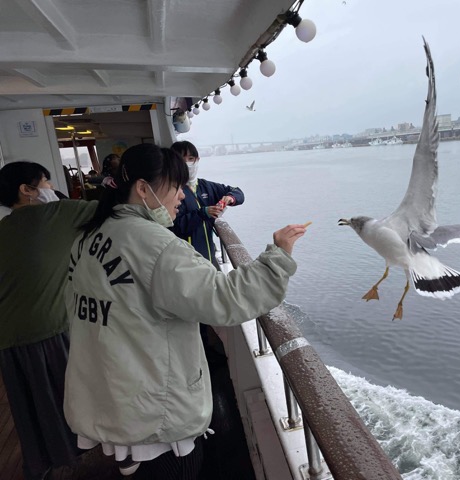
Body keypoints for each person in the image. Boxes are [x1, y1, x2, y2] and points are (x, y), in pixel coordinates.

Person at [63, 143, 306, 479]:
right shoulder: (155, 245)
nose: (182, 196)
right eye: (175, 186)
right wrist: (278, 255)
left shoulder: (88, 238)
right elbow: (225, 299)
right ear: (143, 188)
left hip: (109, 394)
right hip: (151, 409)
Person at [0, 161, 97, 480]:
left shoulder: (4, 229)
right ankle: (85, 456)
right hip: (50, 330)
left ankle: (39, 467)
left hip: (9, 340)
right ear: (26, 190)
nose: (51, 190)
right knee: (70, 400)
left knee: (30, 411)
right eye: (45, 183)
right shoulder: (58, 213)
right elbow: (116, 208)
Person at [170, 141, 244, 270]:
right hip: (184, 261)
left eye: (191, 159)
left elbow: (238, 192)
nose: (187, 163)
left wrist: (230, 198)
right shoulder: (169, 190)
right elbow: (175, 227)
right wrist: (203, 213)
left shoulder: (206, 186)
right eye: (182, 159)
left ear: (197, 160)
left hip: (208, 255)